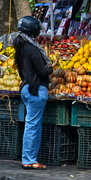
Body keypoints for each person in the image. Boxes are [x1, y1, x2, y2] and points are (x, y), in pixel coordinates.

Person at [13, 16, 57, 170]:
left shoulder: (22, 46)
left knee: (34, 125)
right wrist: (52, 66)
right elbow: (43, 71)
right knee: (32, 126)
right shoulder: (33, 48)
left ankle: (31, 159)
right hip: (36, 90)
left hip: (27, 88)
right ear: (33, 31)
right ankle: (28, 160)